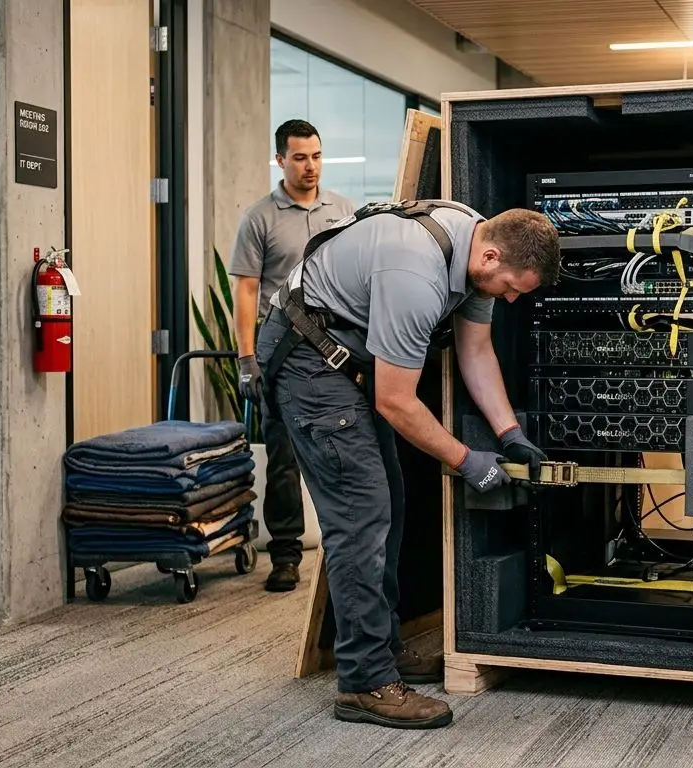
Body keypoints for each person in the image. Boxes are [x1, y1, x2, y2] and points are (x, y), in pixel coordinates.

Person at [256, 199, 560, 729]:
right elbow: (396, 401)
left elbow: (476, 351)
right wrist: (467, 461)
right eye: (512, 287)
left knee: (388, 505)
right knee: (361, 518)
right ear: (490, 257)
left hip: (345, 360)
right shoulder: (415, 273)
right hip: (309, 364)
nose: (511, 298)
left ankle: (382, 651)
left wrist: (511, 435)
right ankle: (365, 683)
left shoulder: (473, 250)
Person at [229, 119, 356, 593]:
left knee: (341, 445)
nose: (311, 166)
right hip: (279, 352)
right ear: (280, 160)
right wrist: (246, 358)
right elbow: (245, 289)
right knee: (282, 455)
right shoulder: (259, 218)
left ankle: (343, 546)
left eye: (317, 156)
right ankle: (284, 553)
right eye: (300, 157)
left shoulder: (343, 210)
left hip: (334, 350)